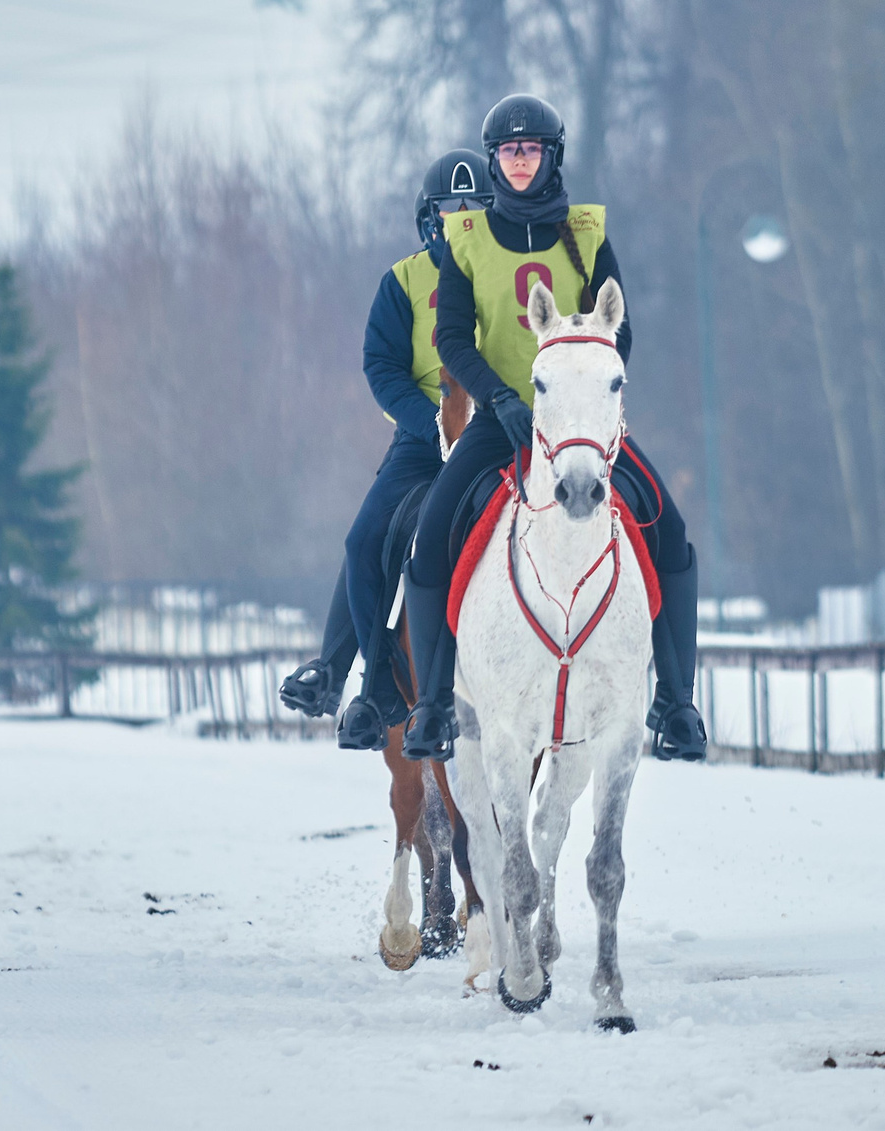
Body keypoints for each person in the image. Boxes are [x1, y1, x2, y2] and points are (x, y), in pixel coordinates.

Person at [398, 93, 705, 765]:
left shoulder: (587, 235)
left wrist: (590, 406)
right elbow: (451, 335)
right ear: (493, 158)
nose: (518, 161)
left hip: (582, 430)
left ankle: (676, 702)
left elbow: (621, 331)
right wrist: (500, 399)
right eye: (508, 151)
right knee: (431, 537)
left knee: (670, 530)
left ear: (551, 156)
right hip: (502, 417)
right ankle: (433, 705)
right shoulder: (468, 239)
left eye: (530, 149)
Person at [277, 149, 490, 748]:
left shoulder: (508, 272)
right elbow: (382, 365)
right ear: (427, 218)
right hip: (425, 437)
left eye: (471, 210)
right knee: (366, 537)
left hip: (502, 433)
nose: (457, 221)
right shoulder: (402, 281)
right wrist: (433, 424)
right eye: (447, 210)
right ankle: (350, 678)